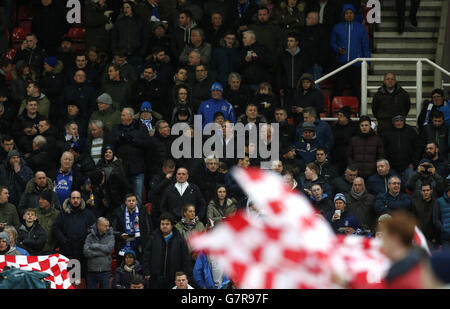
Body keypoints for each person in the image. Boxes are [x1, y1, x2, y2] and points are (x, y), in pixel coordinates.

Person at [330, 4, 370, 104]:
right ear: (343, 14)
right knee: (338, 88)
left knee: (356, 88)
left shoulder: (361, 28)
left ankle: (360, 111)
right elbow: (332, 42)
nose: (349, 15)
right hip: (341, 63)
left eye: (351, 13)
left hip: (356, 64)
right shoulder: (337, 27)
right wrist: (338, 49)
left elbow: (365, 45)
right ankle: (336, 110)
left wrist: (367, 61)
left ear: (354, 14)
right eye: (346, 13)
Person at [111, 108, 151, 205]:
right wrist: (120, 138)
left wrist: (132, 140)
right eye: (122, 115)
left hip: (138, 168)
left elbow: (147, 144)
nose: (122, 117)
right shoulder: (117, 128)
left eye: (124, 115)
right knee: (123, 198)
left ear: (131, 116)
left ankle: (138, 218)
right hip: (122, 169)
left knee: (137, 198)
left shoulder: (141, 127)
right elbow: (111, 142)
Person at [53, 190, 96, 278]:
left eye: (78, 198)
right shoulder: (63, 214)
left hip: (83, 252)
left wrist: (87, 242)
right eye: (73, 198)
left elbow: (94, 229)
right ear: (69, 199)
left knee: (81, 279)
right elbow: (55, 228)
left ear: (81, 199)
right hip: (67, 251)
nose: (75, 200)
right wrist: (63, 240)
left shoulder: (88, 214)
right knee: (69, 279)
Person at [142, 213, 193, 289]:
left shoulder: (179, 239)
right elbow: (146, 256)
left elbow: (186, 258)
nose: (164, 226)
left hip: (173, 278)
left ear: (172, 225)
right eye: (162, 224)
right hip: (155, 277)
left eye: (167, 224)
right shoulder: (153, 237)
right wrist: (146, 271)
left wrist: (185, 274)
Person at [382, 211, 429, 289]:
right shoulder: (422, 265)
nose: (381, 243)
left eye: (384, 238)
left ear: (394, 239)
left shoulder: (402, 278)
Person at [382, 115, 424, 185]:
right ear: (393, 122)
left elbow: (418, 148)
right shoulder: (387, 133)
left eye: (401, 120)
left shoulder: (411, 131)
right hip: (392, 167)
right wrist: (387, 163)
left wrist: (413, 163)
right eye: (397, 121)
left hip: (408, 167)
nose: (399, 123)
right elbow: (383, 149)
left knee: (410, 187)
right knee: (394, 187)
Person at [111, 1, 148, 74]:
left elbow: (145, 38)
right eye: (124, 8)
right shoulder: (119, 22)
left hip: (136, 55)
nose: (125, 10)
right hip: (121, 56)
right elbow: (114, 38)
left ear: (132, 9)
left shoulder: (139, 21)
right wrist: (115, 52)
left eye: (127, 7)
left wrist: (142, 52)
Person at [112, 193, 151, 260]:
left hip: (139, 243)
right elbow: (113, 230)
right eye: (129, 201)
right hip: (124, 243)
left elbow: (148, 228)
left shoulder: (142, 211)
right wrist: (120, 235)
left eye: (133, 200)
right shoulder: (119, 212)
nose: (131, 202)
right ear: (125, 202)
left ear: (136, 202)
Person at [83, 217, 115, 289]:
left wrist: (95, 246)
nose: (108, 228)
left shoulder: (111, 236)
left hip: (105, 271)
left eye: (108, 225)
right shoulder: (89, 237)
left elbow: (109, 249)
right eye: (105, 226)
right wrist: (101, 253)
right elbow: (86, 252)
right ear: (99, 226)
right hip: (91, 271)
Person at [333, 106, 362, 175]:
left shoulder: (354, 127)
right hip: (337, 158)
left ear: (347, 117)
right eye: (338, 115)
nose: (339, 117)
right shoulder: (335, 127)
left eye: (341, 115)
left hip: (350, 158)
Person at [412, 182, 438, 247]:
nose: (426, 192)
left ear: (431, 191)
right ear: (421, 191)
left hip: (433, 239)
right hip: (420, 238)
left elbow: (438, 221)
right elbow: (413, 221)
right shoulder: (416, 204)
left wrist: (435, 237)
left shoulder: (436, 203)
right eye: (424, 190)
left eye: (427, 190)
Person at [35, 189, 60, 254]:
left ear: (49, 201)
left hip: (50, 250)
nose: (40, 201)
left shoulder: (57, 214)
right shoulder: (34, 212)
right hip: (35, 250)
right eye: (40, 199)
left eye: (43, 199)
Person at [434, 184, 450, 248]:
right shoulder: (439, 201)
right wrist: (443, 228)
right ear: (447, 191)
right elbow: (436, 219)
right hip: (445, 237)